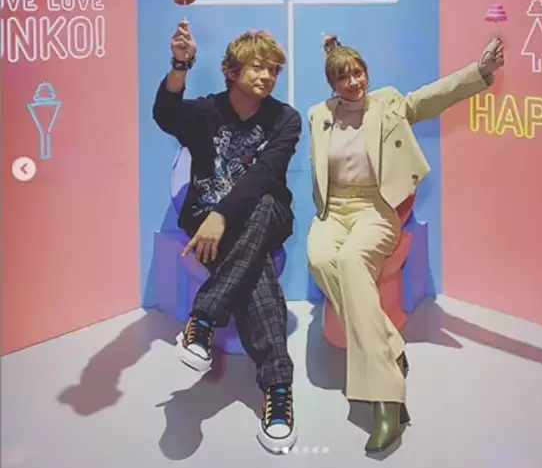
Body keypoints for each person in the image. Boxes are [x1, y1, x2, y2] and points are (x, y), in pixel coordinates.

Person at [306, 34, 505, 453]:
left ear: (366, 73)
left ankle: (386, 402)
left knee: (351, 261)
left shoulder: (388, 103)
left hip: (375, 209)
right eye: (344, 77)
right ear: (332, 83)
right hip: (334, 211)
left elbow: (429, 98)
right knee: (320, 258)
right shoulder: (318, 115)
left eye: (358, 73)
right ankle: (391, 345)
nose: (354, 83)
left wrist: (479, 72)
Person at [153, 22, 302, 454]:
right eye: (258, 67)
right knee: (258, 278)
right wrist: (180, 64)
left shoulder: (285, 119)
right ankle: (278, 391)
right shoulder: (206, 112)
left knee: (262, 202)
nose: (267, 76)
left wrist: (221, 215)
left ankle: (203, 318)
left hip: (265, 214)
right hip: (207, 219)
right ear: (233, 70)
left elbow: (264, 174)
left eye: (273, 70)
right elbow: (165, 113)